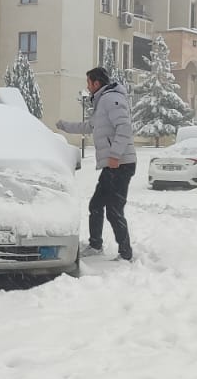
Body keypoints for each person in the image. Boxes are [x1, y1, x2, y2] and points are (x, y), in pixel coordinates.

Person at [56, 68, 137, 261]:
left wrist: (115, 155)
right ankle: (95, 244)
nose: (87, 86)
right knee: (96, 205)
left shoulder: (111, 99)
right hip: (114, 164)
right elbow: (90, 126)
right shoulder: (102, 102)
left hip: (121, 163)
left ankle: (125, 253)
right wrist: (64, 126)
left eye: (88, 82)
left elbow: (124, 127)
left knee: (113, 209)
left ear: (96, 83)